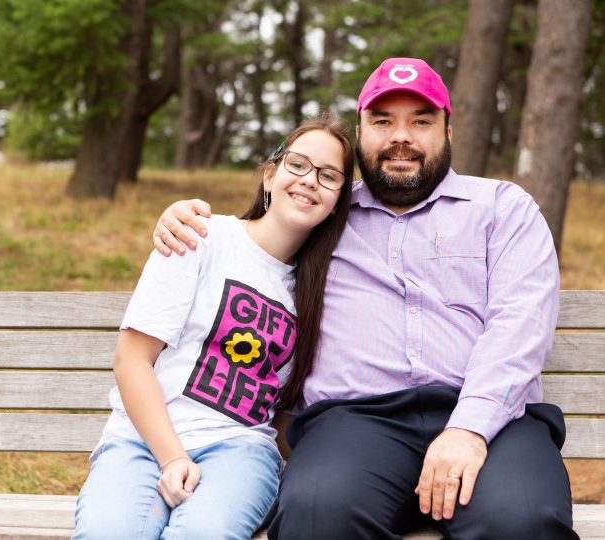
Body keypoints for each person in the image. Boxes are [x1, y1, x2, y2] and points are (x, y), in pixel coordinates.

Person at [152, 57, 577, 539]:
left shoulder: (503, 209)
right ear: (360, 132)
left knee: (521, 519)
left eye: (421, 121)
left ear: (448, 133)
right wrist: (185, 221)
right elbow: (253, 240)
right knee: (317, 513)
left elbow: (520, 324)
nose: (402, 136)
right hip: (355, 424)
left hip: (491, 420)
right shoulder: (327, 211)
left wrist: (468, 430)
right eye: (382, 121)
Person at [73, 114, 355, 539]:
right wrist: (171, 459)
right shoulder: (199, 236)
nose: (310, 180)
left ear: (338, 201)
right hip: (141, 443)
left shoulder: (321, 290)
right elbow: (132, 358)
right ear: (269, 175)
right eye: (298, 164)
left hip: (240, 453)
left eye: (329, 175)